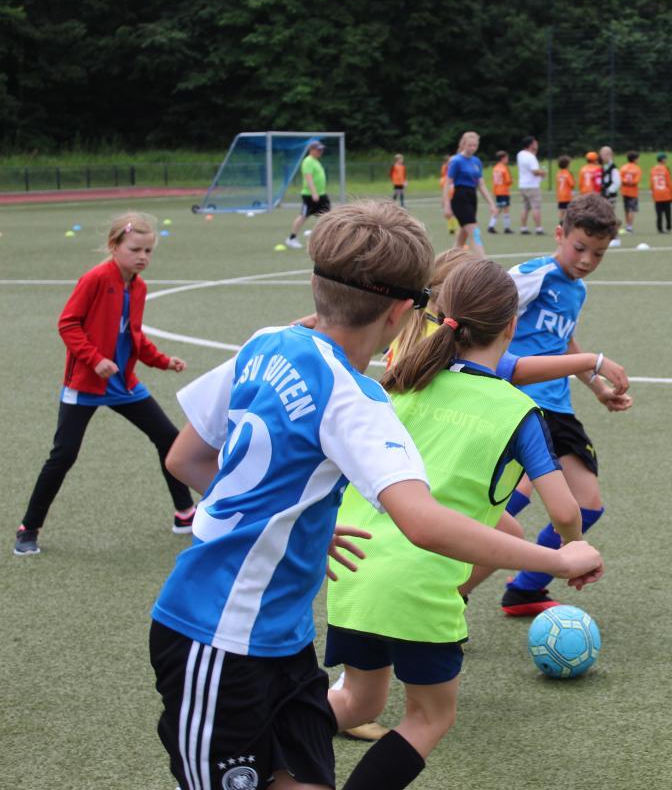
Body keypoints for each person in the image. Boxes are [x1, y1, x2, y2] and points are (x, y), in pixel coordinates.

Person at [148, 201, 603, 790]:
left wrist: (286, 520)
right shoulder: (356, 398)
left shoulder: (267, 342)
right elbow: (424, 523)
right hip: (220, 634)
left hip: (281, 640)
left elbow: (186, 458)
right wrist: (558, 559)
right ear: (399, 312)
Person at [324, 259, 598, 789]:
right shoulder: (518, 412)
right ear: (511, 326)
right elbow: (565, 511)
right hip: (420, 588)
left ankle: (247, 755)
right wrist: (573, 549)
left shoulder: (398, 385)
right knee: (430, 717)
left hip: (353, 573)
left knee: (357, 700)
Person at [14, 212, 194, 556]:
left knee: (169, 440)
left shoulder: (138, 287)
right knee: (64, 454)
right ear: (114, 246)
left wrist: (162, 361)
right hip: (85, 385)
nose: (142, 257)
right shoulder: (96, 279)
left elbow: (134, 336)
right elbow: (68, 324)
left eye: (148, 251)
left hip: (123, 385)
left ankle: (184, 513)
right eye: (135, 249)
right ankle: (29, 528)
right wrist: (95, 359)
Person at [501, 194, 633, 615]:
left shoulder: (577, 289)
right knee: (507, 504)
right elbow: (482, 309)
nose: (587, 260)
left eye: (599, 253)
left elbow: (566, 343)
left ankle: (525, 589)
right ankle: (448, 585)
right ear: (560, 234)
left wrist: (598, 389)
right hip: (520, 403)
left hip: (559, 409)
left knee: (587, 505)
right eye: (580, 247)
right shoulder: (534, 276)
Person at [443, 131, 497, 256]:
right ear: (463, 145)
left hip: (472, 197)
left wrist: (491, 203)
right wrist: (446, 205)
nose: (472, 148)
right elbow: (447, 183)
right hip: (460, 198)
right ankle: (484, 263)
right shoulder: (456, 161)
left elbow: (481, 185)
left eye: (475, 145)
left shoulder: (476, 161)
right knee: (475, 232)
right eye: (470, 145)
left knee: (462, 236)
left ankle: (450, 260)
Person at [286, 139, 331, 249]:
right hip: (311, 195)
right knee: (304, 216)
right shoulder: (308, 161)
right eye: (318, 150)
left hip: (321, 195)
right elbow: (308, 178)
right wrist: (314, 193)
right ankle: (291, 238)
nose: (320, 152)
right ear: (311, 150)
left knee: (327, 216)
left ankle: (325, 238)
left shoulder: (315, 161)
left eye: (321, 150)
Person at [516, 135, 547, 235]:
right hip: (532, 185)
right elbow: (535, 171)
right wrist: (543, 172)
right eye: (535, 143)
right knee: (535, 207)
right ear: (531, 144)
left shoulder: (520, 154)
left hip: (522, 185)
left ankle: (523, 227)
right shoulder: (531, 157)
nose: (537, 144)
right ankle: (539, 228)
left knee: (525, 207)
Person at [487, 150, 513, 234]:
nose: (507, 159)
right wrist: (511, 180)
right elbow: (508, 181)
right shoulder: (504, 168)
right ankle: (493, 226)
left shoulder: (495, 168)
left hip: (497, 190)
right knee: (502, 209)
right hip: (503, 191)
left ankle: (505, 227)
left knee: (503, 208)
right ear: (502, 158)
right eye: (506, 158)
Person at [651, 152, 672, 234]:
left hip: (657, 194)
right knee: (667, 212)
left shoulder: (653, 169)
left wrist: (653, 193)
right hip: (666, 194)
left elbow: (652, 183)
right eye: (665, 158)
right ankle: (668, 227)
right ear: (662, 160)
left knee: (659, 213)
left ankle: (659, 228)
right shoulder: (666, 169)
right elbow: (669, 183)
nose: (666, 160)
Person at [619, 151, 642, 233]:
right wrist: (631, 182)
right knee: (631, 209)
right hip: (633, 192)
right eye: (638, 159)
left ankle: (627, 225)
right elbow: (636, 181)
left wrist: (625, 181)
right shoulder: (637, 168)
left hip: (625, 191)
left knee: (626, 209)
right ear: (634, 159)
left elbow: (620, 178)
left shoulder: (623, 167)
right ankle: (629, 227)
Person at [440, 155, 457, 235]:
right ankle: (452, 228)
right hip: (449, 195)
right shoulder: (445, 172)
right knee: (450, 213)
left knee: (454, 213)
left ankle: (453, 227)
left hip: (454, 195)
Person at [555, 155, 575, 224]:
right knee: (567, 210)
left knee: (561, 209)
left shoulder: (558, 173)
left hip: (560, 195)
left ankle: (560, 222)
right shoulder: (568, 173)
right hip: (567, 195)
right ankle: (566, 223)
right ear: (567, 164)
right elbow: (572, 184)